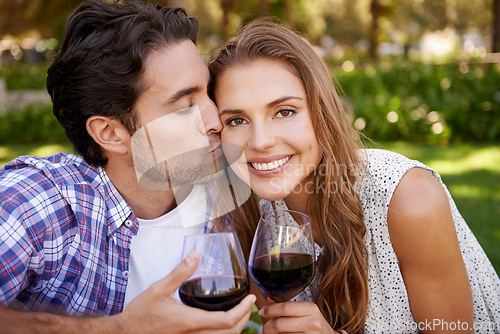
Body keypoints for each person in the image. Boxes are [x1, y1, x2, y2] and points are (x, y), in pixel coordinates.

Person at [208, 19, 500, 334]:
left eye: (284, 112)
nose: (260, 141)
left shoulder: (407, 199)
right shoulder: (254, 212)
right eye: (237, 120)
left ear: (321, 112)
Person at [0, 0, 256, 332]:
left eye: (208, 93)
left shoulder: (225, 193)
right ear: (111, 133)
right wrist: (120, 328)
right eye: (185, 105)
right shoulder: (42, 202)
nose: (215, 120)